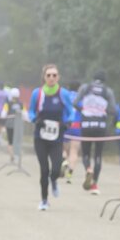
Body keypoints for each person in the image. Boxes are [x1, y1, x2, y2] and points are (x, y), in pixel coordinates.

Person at [29, 65, 76, 210]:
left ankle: (54, 180)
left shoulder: (63, 93)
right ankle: (44, 200)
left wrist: (67, 123)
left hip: (57, 137)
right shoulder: (37, 93)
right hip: (40, 137)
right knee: (44, 170)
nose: (51, 78)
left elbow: (71, 111)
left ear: (58, 77)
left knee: (55, 169)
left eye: (54, 75)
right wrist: (35, 120)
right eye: (48, 75)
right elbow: (31, 111)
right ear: (44, 77)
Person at [76, 72, 117, 195]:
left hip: (86, 125)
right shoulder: (108, 91)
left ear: (93, 78)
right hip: (100, 126)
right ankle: (94, 184)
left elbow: (75, 103)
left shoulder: (85, 88)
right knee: (98, 155)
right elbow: (113, 110)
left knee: (86, 153)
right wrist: (103, 111)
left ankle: (88, 169)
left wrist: (83, 109)